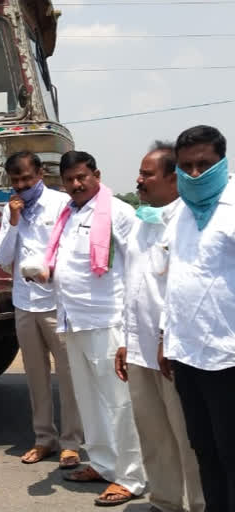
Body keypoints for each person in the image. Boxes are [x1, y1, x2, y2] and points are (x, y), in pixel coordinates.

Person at [40, 151, 146, 506]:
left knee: (120, 404)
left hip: (109, 322)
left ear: (96, 174)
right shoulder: (68, 214)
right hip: (74, 321)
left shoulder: (119, 212)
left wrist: (131, 332)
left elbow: (136, 270)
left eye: (82, 177)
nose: (75, 184)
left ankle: (132, 477)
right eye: (68, 179)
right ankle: (103, 464)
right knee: (90, 402)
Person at [113, 143, 204, 512]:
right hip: (139, 350)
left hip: (175, 353)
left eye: (147, 174)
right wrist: (124, 340)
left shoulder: (189, 223)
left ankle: (200, 504)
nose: (139, 180)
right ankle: (165, 502)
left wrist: (167, 338)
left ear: (173, 179)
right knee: (153, 434)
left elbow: (183, 291)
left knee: (189, 439)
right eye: (140, 172)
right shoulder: (141, 223)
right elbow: (129, 286)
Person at [160, 125, 235, 510]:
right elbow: (177, 278)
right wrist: (164, 337)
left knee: (231, 454)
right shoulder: (182, 212)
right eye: (185, 166)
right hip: (187, 354)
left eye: (203, 165)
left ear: (221, 162)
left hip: (228, 357)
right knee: (204, 449)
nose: (193, 174)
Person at [0, 151, 83, 469]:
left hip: (56, 302)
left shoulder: (61, 204)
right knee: (36, 376)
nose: (22, 186)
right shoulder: (11, 209)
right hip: (24, 303)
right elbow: (3, 258)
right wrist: (14, 222)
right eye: (16, 181)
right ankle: (44, 438)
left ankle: (72, 443)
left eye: (27, 179)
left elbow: (73, 249)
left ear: (40, 174)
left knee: (69, 375)